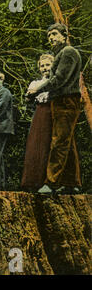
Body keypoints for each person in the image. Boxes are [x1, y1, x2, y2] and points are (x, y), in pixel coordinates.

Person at [28, 23, 82, 194]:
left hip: (66, 101)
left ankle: (51, 183)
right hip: (61, 100)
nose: (51, 38)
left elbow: (59, 80)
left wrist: (38, 89)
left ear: (64, 35)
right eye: (49, 35)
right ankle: (72, 182)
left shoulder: (68, 52)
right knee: (67, 141)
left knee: (59, 141)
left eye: (54, 34)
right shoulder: (62, 53)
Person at [21, 54, 55, 191]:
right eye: (42, 66)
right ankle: (33, 181)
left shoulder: (56, 82)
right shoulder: (35, 83)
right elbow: (28, 99)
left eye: (48, 65)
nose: (45, 68)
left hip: (53, 114)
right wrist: (30, 94)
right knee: (35, 145)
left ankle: (49, 182)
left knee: (50, 145)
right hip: (39, 114)